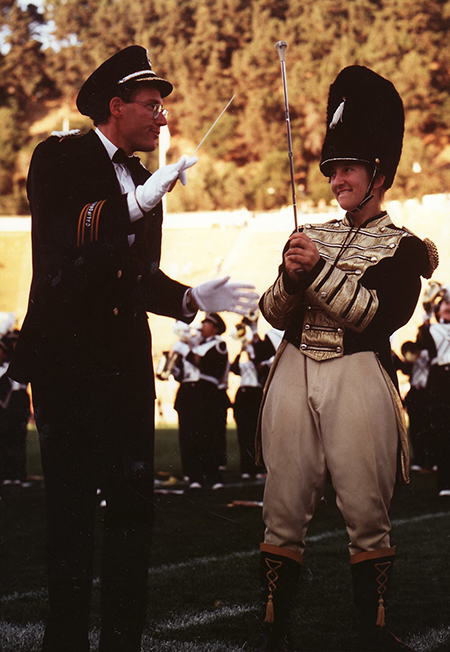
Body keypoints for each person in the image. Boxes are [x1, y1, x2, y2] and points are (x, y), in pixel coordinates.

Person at [7, 45, 257, 652]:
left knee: (132, 516)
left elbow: (138, 276)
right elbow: (72, 234)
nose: (163, 118)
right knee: (70, 516)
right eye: (152, 105)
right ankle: (62, 642)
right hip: (67, 368)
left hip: (124, 371)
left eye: (164, 107)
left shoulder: (146, 181)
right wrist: (140, 201)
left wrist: (193, 296)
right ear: (116, 107)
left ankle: (123, 640)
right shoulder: (58, 156)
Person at [255, 65, 438, 652]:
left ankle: (374, 632)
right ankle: (273, 629)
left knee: (365, 507)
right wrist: (289, 274)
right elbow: (272, 311)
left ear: (378, 173)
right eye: (332, 168)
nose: (336, 178)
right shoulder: (312, 233)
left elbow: (379, 318)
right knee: (281, 506)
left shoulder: (406, 248)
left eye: (349, 168)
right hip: (291, 370)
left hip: (358, 375)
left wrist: (319, 273)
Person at [182, 312, 229, 489]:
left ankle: (212, 475)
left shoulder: (219, 345)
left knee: (209, 435)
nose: (202, 326)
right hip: (193, 393)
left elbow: (210, 366)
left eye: (207, 323)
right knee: (192, 434)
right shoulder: (198, 344)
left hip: (208, 393)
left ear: (216, 328)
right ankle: (195, 476)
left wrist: (187, 350)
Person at [230, 315, 282, 478]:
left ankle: (259, 467)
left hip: (256, 392)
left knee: (256, 431)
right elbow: (235, 369)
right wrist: (243, 350)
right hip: (243, 393)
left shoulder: (260, 348)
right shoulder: (245, 350)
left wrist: (253, 352)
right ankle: (246, 468)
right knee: (243, 432)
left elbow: (261, 364)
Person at [415, 287, 450, 497]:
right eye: (445, 303)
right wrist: (428, 309)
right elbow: (422, 341)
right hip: (440, 379)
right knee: (443, 430)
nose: (448, 306)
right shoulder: (430, 329)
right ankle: (445, 482)